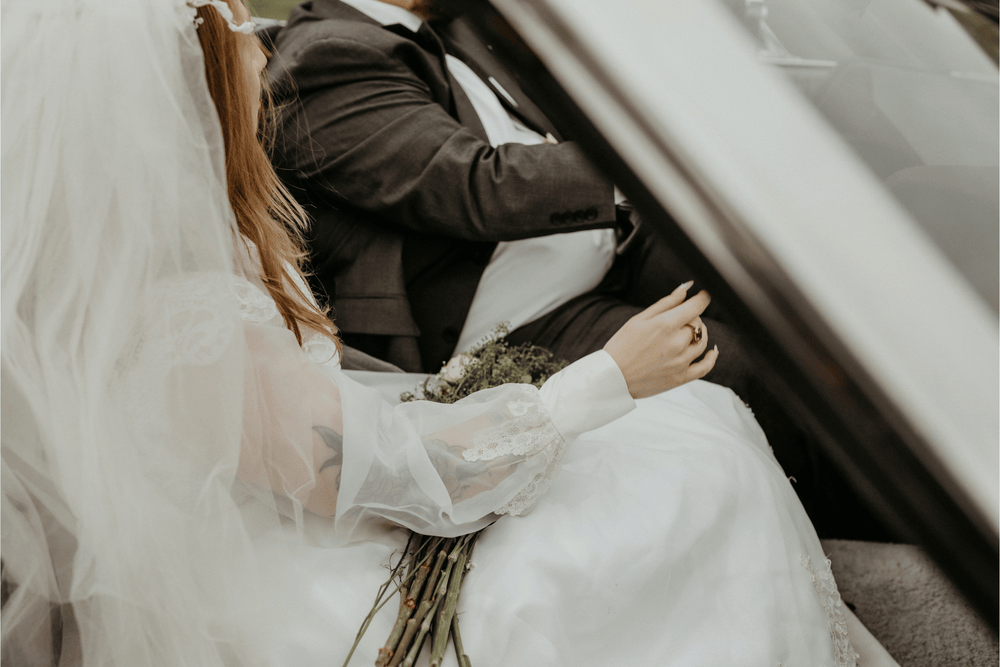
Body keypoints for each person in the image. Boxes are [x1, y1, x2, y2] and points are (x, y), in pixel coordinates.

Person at [0, 1, 898, 666]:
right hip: (307, 602)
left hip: (312, 509)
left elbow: (324, 433)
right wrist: (605, 381)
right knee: (698, 450)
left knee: (701, 425)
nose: (257, 58)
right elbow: (410, 484)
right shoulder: (191, 322)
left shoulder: (124, 303)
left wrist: (468, 389)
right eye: (240, 41)